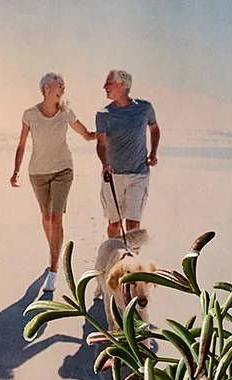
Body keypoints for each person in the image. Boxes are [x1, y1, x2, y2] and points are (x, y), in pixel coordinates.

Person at [9, 73, 95, 290]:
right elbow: (21, 145)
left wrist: (108, 133)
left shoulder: (66, 113)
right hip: (37, 173)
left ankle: (54, 271)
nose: (63, 90)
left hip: (63, 171)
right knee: (46, 217)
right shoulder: (30, 114)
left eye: (64, 86)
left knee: (56, 219)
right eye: (60, 86)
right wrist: (16, 170)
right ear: (46, 88)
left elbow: (86, 134)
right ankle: (54, 251)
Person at [94, 69, 159, 236]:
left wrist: (153, 153)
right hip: (112, 175)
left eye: (109, 83)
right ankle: (115, 252)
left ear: (122, 85)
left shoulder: (144, 108)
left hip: (138, 174)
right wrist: (105, 164)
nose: (104, 87)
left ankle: (133, 254)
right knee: (114, 224)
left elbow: (154, 129)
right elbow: (101, 144)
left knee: (133, 225)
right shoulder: (103, 114)